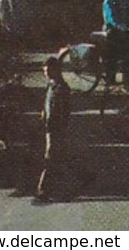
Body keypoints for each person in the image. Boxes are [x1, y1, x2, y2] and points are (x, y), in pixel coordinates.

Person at [37, 57, 88, 201]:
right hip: (50, 127)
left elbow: (64, 110)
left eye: (48, 70)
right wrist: (43, 115)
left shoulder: (62, 88)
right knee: (58, 158)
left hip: (56, 127)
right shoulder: (52, 85)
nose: (46, 73)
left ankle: (44, 190)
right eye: (45, 71)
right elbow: (47, 105)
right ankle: (65, 188)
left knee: (51, 157)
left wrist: (59, 125)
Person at [102, 0, 129, 86]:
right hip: (113, 31)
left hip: (125, 30)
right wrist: (120, 26)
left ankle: (127, 80)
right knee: (112, 56)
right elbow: (111, 17)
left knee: (128, 56)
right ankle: (109, 79)